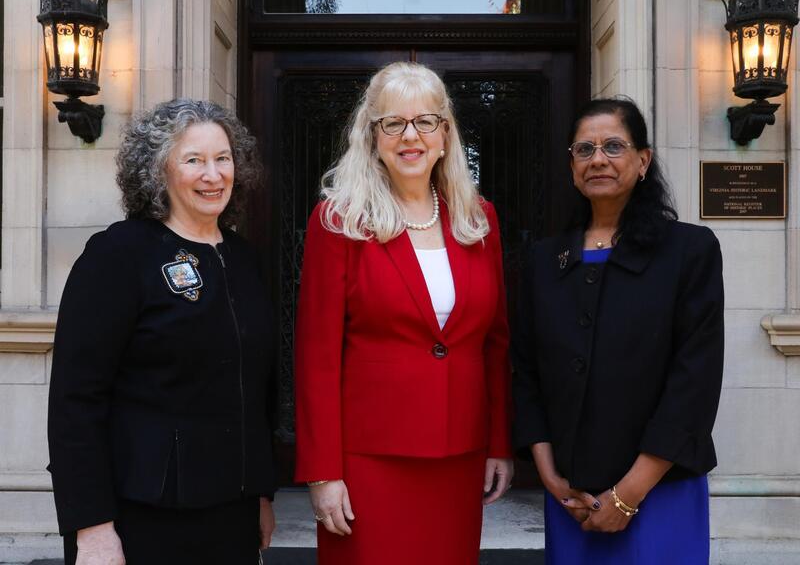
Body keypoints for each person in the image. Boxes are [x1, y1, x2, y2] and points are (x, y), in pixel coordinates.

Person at [294, 61, 514, 564]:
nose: (410, 136)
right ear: (373, 137)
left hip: (460, 456)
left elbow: (495, 344)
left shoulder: (479, 220)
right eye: (393, 123)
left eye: (425, 121)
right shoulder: (339, 221)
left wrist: (499, 443)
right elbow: (317, 357)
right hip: (368, 460)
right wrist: (323, 472)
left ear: (445, 135)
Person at [48, 99, 277, 565]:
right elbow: (76, 400)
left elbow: (257, 391)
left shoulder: (245, 259)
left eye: (223, 158)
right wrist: (91, 525)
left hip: (231, 514)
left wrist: (261, 493)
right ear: (158, 170)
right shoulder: (119, 254)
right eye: (193, 160)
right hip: (141, 515)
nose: (213, 175)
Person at [512, 96, 724, 564]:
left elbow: (695, 381)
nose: (598, 160)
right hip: (571, 497)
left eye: (613, 146)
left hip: (660, 491)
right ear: (572, 166)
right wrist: (550, 477)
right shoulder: (544, 261)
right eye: (584, 149)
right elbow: (527, 374)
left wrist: (628, 495)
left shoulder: (689, 251)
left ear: (643, 160)